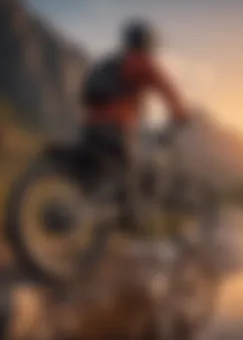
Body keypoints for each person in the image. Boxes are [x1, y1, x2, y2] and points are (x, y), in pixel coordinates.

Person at [81, 19, 189, 229]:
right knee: (132, 173)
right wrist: (180, 113)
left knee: (115, 173)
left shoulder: (112, 63)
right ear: (147, 43)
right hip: (115, 128)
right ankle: (133, 219)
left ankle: (113, 217)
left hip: (91, 127)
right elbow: (166, 87)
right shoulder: (140, 62)